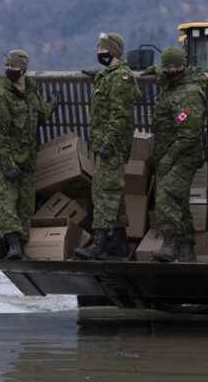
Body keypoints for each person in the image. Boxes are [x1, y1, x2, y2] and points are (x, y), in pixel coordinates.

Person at [75, 33, 141, 260]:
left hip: (110, 147)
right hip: (105, 144)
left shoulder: (120, 77)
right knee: (113, 193)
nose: (98, 51)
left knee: (105, 193)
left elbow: (120, 115)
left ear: (112, 50)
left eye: (101, 48)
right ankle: (118, 245)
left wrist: (108, 143)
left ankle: (100, 244)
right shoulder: (109, 76)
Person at [0, 49, 57, 260]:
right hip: (3, 161)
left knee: (25, 205)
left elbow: (41, 115)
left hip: (26, 160)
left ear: (24, 70)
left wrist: (51, 104)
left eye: (14, 69)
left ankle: (21, 248)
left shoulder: (31, 93)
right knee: (6, 201)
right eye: (7, 68)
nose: (10, 71)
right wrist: (6, 162)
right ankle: (13, 246)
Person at [150, 46, 208, 262]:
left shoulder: (189, 94)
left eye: (175, 67)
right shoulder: (170, 83)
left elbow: (188, 135)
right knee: (179, 202)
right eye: (168, 67)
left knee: (165, 196)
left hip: (184, 156)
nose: (171, 71)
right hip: (169, 153)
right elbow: (161, 72)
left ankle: (170, 243)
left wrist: (167, 159)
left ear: (184, 67)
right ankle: (186, 249)